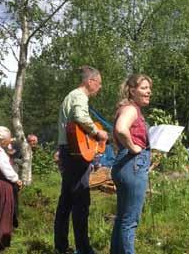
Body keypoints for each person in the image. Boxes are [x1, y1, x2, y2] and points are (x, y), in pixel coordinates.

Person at [54, 66, 108, 254]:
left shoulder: (71, 96)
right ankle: (83, 248)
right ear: (90, 81)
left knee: (66, 200)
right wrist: (97, 132)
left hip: (68, 152)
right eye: (99, 83)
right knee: (81, 201)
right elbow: (79, 116)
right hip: (75, 155)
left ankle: (61, 246)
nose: (99, 88)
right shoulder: (79, 96)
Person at [111, 74, 152, 254]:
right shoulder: (131, 109)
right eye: (144, 88)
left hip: (125, 164)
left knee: (122, 219)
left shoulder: (128, 108)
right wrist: (134, 148)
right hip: (133, 163)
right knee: (130, 221)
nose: (148, 91)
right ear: (132, 91)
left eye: (149, 88)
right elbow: (121, 128)